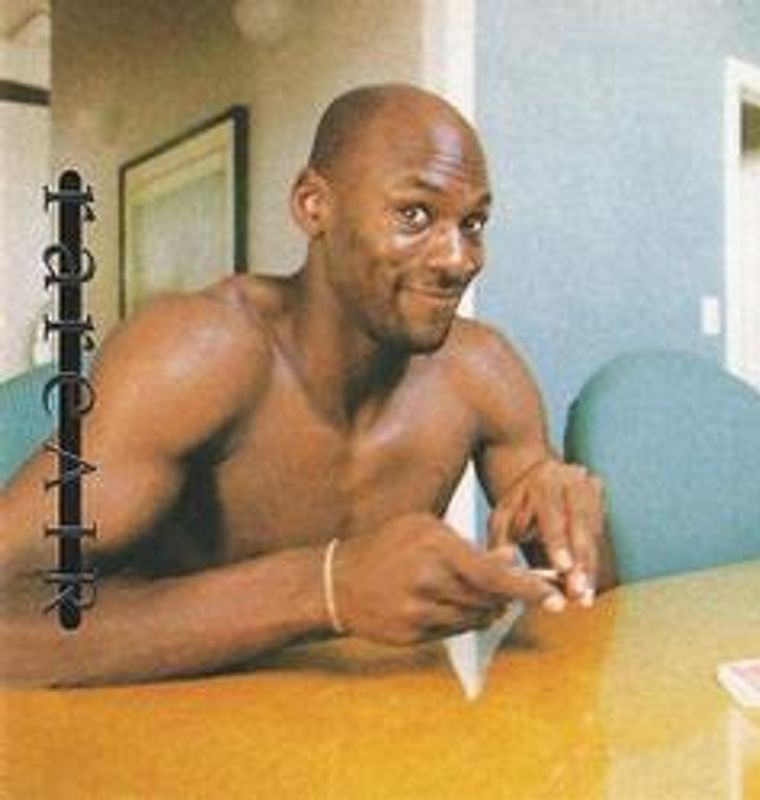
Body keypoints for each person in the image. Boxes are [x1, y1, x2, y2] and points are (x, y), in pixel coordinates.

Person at [0, 84, 610, 686]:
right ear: (313, 205)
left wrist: (570, 527)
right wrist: (323, 588)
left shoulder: (483, 371)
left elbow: (592, 613)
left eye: (473, 222)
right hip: (161, 728)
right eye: (415, 214)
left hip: (364, 730)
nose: (459, 259)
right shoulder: (199, 354)